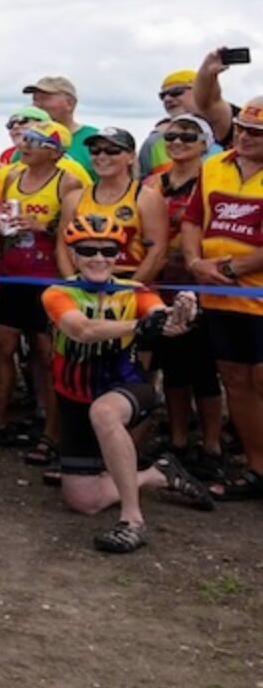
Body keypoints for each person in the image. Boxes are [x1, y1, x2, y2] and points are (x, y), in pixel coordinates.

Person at [45, 215, 214, 551]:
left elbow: (162, 319)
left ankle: (132, 520)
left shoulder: (135, 291)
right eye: (88, 250)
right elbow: (82, 330)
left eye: (108, 251)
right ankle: (158, 473)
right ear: (74, 255)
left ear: (118, 255)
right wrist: (137, 328)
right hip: (73, 398)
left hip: (126, 386)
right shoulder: (57, 292)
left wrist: (182, 312)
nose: (98, 258)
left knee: (104, 413)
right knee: (83, 501)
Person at [0, 120, 85, 464]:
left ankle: (52, 433)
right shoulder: (11, 176)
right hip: (13, 273)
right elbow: (0, 216)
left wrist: (43, 225)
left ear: (55, 151)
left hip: (48, 278)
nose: (25, 146)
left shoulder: (67, 181)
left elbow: (74, 230)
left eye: (35, 142)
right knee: (1, 346)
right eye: (25, 139)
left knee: (46, 353)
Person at [181, 94, 263, 500]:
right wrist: (196, 263)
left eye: (257, 132)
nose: (246, 137)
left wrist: (231, 268)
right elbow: (193, 218)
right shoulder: (214, 164)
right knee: (235, 380)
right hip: (220, 295)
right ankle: (256, 468)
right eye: (243, 128)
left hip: (255, 294)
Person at [143, 114, 226, 480]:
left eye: (187, 136)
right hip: (160, 283)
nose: (176, 141)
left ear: (205, 143)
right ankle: (177, 440)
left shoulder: (210, 181)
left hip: (200, 283)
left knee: (204, 371)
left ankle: (211, 445)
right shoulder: (152, 182)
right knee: (173, 367)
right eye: (171, 135)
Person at [56, 128, 165, 281]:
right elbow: (62, 247)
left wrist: (128, 290)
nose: (102, 156)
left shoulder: (146, 197)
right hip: (84, 281)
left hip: (129, 278)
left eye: (112, 151)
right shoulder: (74, 198)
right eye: (95, 151)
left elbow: (157, 252)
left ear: (131, 157)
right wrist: (74, 285)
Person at [22, 76, 97, 177]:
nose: (37, 105)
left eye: (45, 99)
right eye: (35, 99)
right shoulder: (28, 142)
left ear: (69, 103)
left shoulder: (95, 140)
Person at [138, 71, 212, 172]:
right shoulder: (154, 141)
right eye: (162, 96)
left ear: (200, 92)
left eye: (176, 92)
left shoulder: (229, 133)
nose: (167, 99)